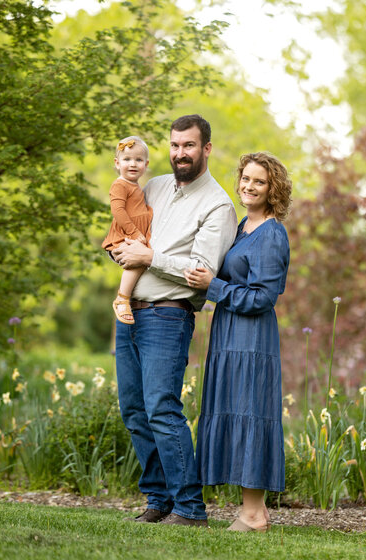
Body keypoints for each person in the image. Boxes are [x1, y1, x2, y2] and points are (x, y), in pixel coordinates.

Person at [111, 115, 238, 526]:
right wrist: (120, 249)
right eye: (175, 145)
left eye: (189, 145)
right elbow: (131, 231)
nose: (180, 153)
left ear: (207, 149)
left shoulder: (218, 205)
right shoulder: (156, 186)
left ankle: (189, 508)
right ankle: (158, 499)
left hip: (168, 315)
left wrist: (149, 258)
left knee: (162, 409)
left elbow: (201, 270)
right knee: (134, 409)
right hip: (130, 312)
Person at [184, 151, 292, 532]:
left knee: (250, 412)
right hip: (228, 332)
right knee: (233, 409)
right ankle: (253, 511)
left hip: (252, 339)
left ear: (272, 188)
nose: (248, 186)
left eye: (258, 181)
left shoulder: (272, 233)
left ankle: (252, 513)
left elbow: (263, 297)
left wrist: (212, 287)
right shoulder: (244, 224)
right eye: (245, 178)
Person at [102, 136, 153, 324]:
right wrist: (134, 233)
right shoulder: (120, 185)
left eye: (138, 160)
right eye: (127, 159)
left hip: (136, 234)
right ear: (117, 163)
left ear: (146, 164)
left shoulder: (136, 186)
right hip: (124, 235)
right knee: (138, 262)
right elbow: (118, 211)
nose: (133, 164)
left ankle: (129, 297)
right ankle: (122, 299)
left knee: (142, 262)